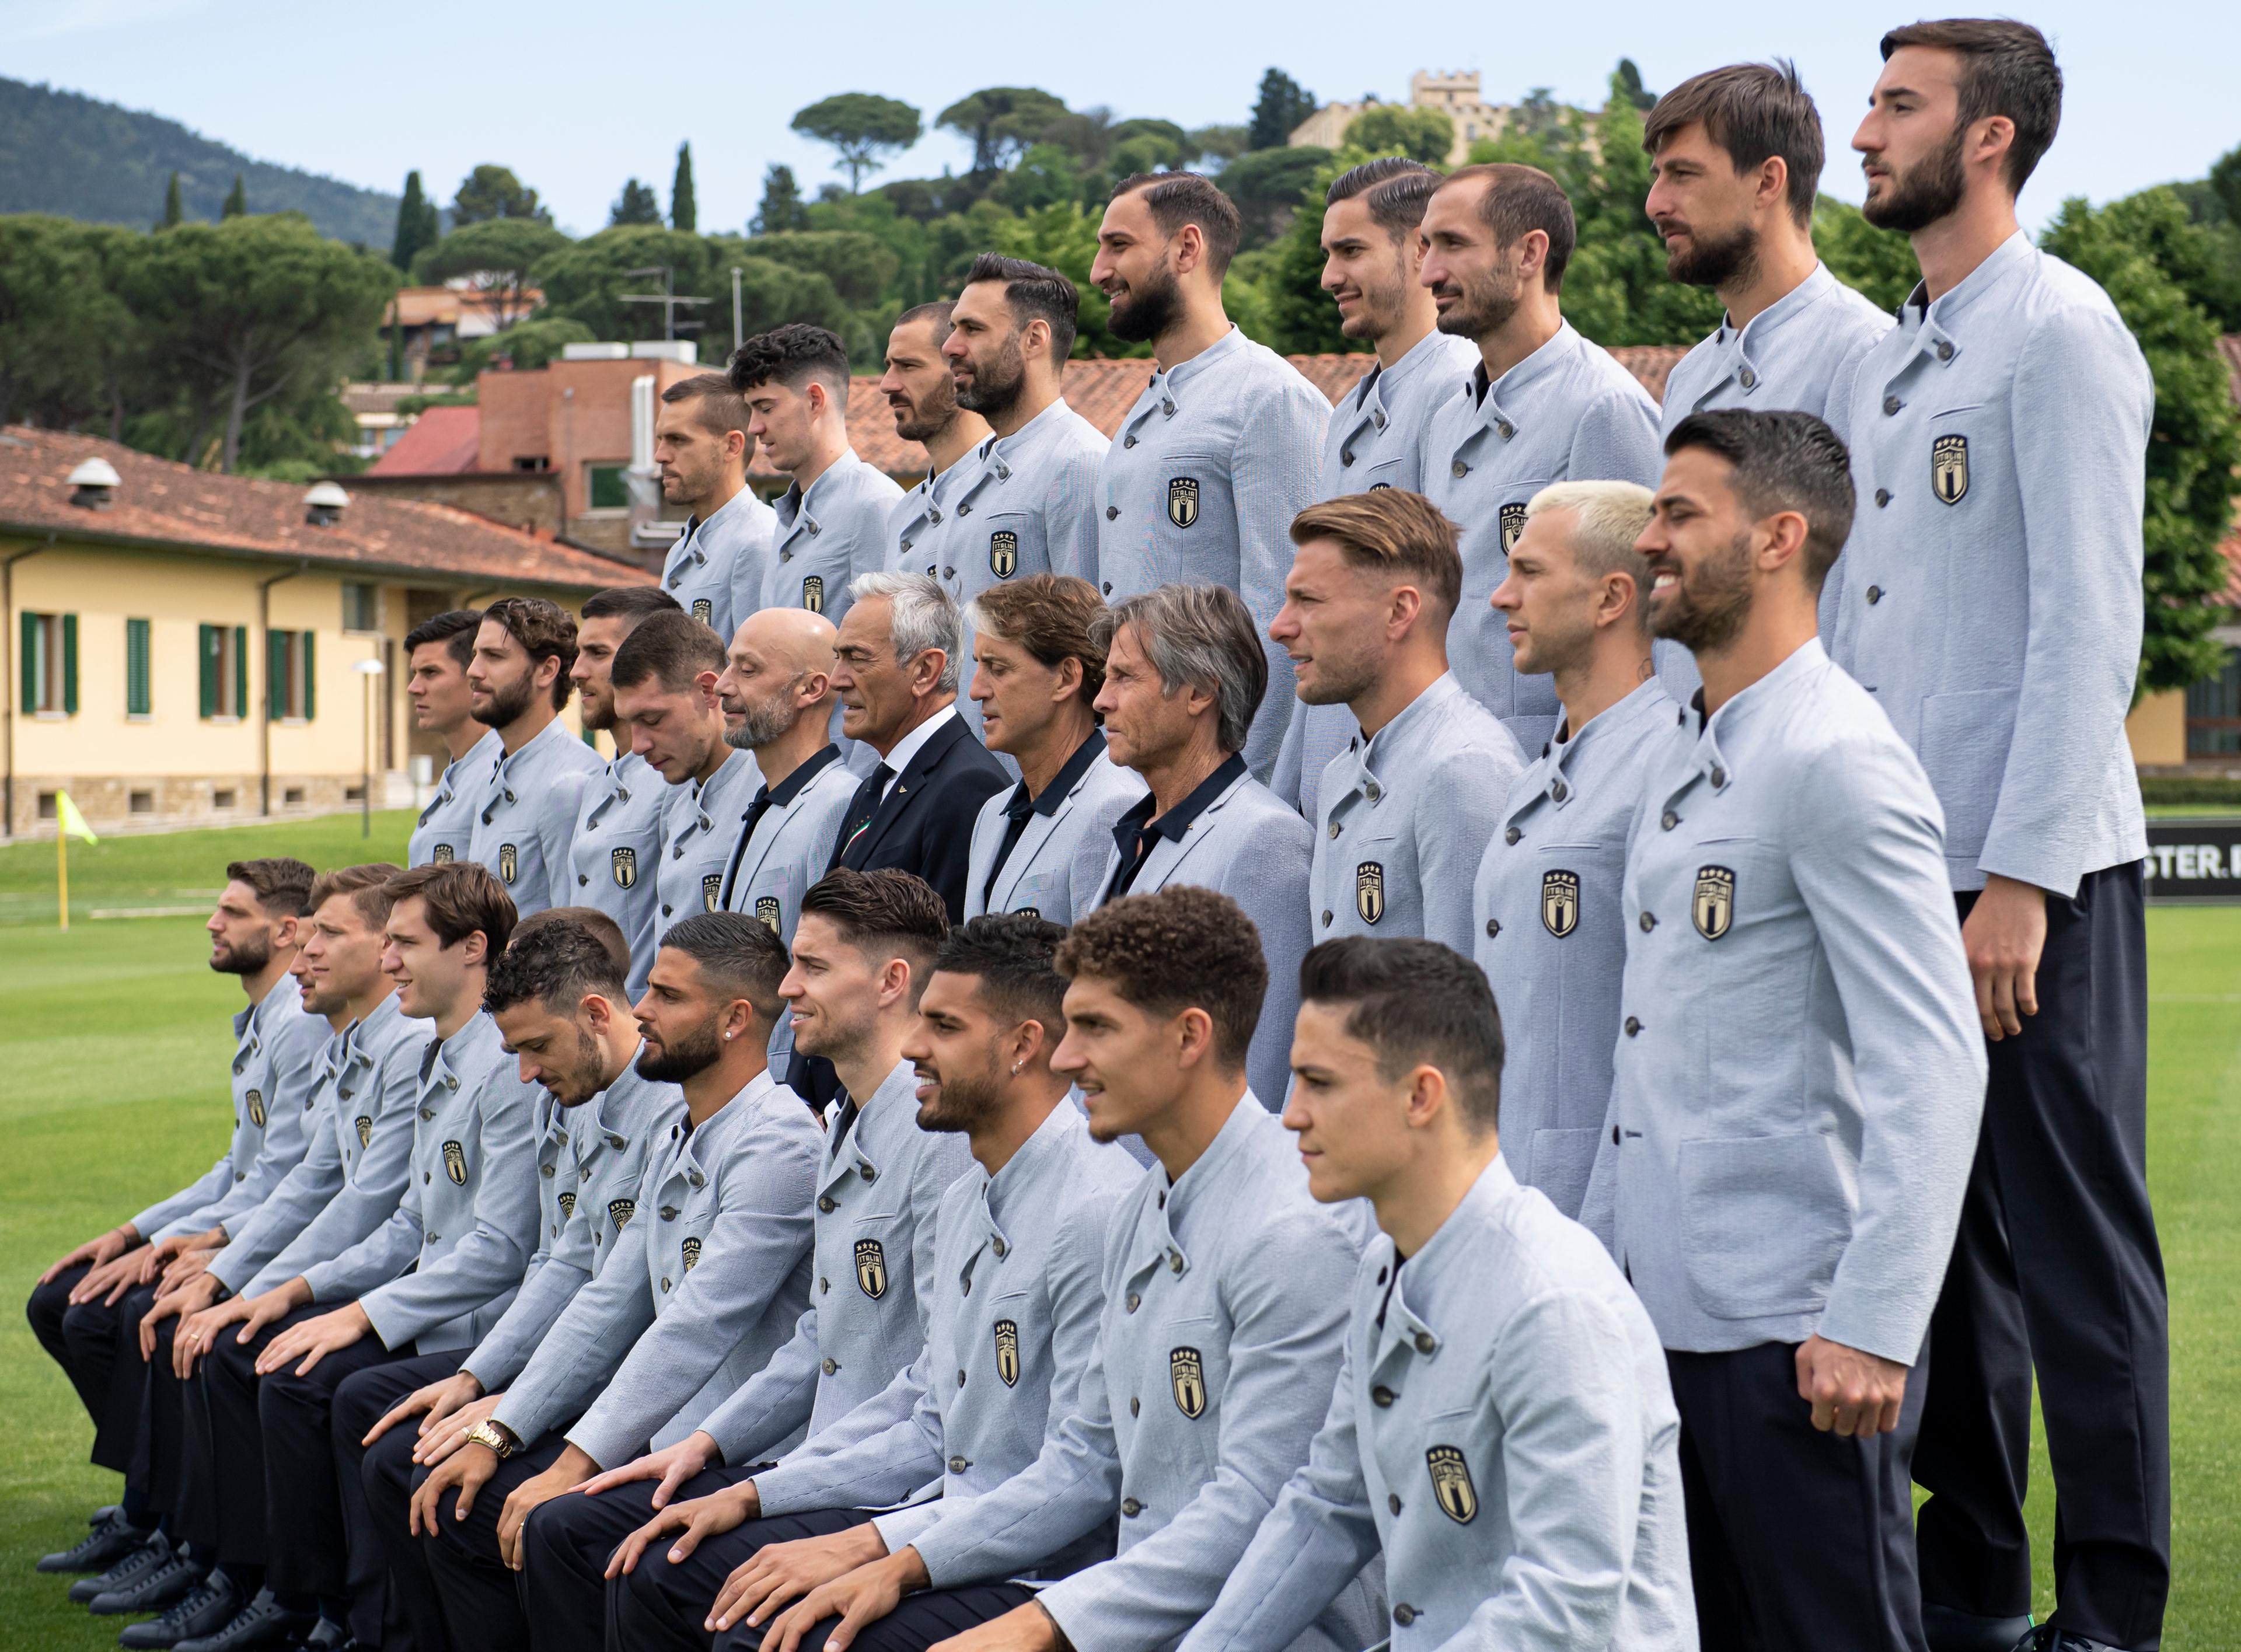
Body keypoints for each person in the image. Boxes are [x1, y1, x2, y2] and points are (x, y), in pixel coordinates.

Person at [1839, 23, 2163, 1652]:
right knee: (1945, 1268)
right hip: (1909, 880)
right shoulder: (1908, 353)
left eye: (1897, 103)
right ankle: (1972, 1592)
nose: (1862, 128)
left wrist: (2024, 876)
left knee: (2079, 1269)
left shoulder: (2062, 330)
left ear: (1989, 138)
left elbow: (2091, 627)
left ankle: (2108, 1621)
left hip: (2035, 879)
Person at [1600, 409, 1985, 1652]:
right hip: (1666, 1316)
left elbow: (1934, 1054)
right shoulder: (1684, 751)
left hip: (1798, 1340)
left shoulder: (1839, 758)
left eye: (1677, 514)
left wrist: (1874, 1318)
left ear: (1776, 538)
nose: (1648, 541)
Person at [808, 886, 1377, 1652]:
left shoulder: (1292, 1226)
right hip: (1133, 1600)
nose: (1068, 1059)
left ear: (1189, 1036)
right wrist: (908, 1562)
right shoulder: (1146, 1202)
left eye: (1096, 1028)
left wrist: (1041, 1623)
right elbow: (1091, 1453)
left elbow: (1258, 1507)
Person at [603, 913, 1141, 1652]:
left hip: (1039, 1570)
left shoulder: (1096, 1208)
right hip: (944, 1514)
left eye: (943, 1026)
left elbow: (1082, 1473)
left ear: (1024, 1045)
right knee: (654, 1568)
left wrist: (890, 1554)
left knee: (760, 1630)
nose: (914, 1045)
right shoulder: (969, 1197)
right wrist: (757, 1490)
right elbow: (929, 1409)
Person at [1185, 936, 1697, 1652]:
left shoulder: (1552, 1302)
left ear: (1422, 1094)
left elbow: (1564, 1606)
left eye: (1319, 1082)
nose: (1291, 1113)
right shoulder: (1383, 1268)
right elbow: (1328, 1503)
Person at [515, 873, 971, 1652]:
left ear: (894, 981)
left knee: (639, 1564)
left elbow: (930, 1387)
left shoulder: (938, 1139)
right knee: (578, 1531)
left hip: (881, 1479)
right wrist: (706, 1443)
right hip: (817, 1455)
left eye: (814, 966)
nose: (787, 985)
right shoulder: (845, 1123)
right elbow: (817, 1340)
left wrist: (754, 1485)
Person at [406, 912, 822, 1652]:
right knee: (450, 1490)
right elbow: (606, 1296)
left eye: (665, 995)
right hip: (661, 1428)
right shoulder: (683, 1132)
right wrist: (497, 1430)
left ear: (734, 1019)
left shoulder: (779, 1143)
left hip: (733, 1442)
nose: (643, 1010)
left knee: (556, 1526)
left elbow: (694, 1325)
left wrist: (570, 1463)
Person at [176, 865, 505, 1651]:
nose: (392, 961)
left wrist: (326, 1302)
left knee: (305, 1376)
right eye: (386, 941)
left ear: (472, 949)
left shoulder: (499, 1062)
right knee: (253, 1345)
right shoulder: (436, 1050)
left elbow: (504, 1251)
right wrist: (269, 1284)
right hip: (425, 1302)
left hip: (477, 1327)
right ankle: (253, 1575)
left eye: (405, 942)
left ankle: (330, 1608)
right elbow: (393, 1214)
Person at [347, 909, 684, 1652]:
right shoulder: (584, 1090)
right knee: (395, 1444)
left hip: (650, 1393)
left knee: (452, 1486)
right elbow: (563, 1262)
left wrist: (506, 1420)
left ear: (596, 1012)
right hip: (589, 1358)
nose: (526, 1073)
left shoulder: (669, 1111)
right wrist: (477, 1380)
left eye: (535, 1047)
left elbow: (640, 1312)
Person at [31, 858, 324, 1580]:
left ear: (285, 929)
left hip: (276, 1239)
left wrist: (192, 1247)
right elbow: (238, 1166)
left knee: (128, 1315)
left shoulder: (298, 1023)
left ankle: (170, 1523)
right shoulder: (266, 1019)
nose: (212, 922)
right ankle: (158, 1502)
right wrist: (137, 1232)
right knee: (63, 1299)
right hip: (248, 1222)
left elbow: (294, 1181)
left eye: (231, 911)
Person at [1645, 58, 1892, 665]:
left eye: (1682, 174)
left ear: (1767, 182)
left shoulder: (1865, 354)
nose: (1656, 203)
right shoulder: (1690, 376)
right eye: (1657, 176)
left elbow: (1862, 598)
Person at [1474, 481, 1671, 1223]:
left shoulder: (1666, 768)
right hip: (1509, 1198)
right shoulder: (1545, 771)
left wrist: (1604, 1228)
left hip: (1594, 1211)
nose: (1500, 597)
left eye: (1530, 572)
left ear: (1611, 597)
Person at [1418, 163, 1663, 753]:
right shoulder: (1448, 417)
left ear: (1530, 254)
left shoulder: (1603, 407)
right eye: (1426, 247)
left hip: (1544, 774)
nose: (1428, 272)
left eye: (1452, 244)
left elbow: (1639, 632)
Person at [1091, 172, 1329, 777]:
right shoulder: (1138, 418)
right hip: (1145, 771)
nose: (1098, 270)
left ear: (1187, 248)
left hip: (1221, 778)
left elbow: (1281, 610)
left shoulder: (1268, 397)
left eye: (1118, 245)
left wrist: (1247, 787)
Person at [1272, 158, 1480, 819]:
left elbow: (1454, 611)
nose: (1330, 277)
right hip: (1341, 769)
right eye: (1328, 254)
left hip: (1413, 781)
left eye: (1351, 251)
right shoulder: (1350, 414)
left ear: (1420, 248)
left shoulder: (1459, 392)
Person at [1091, 585, 1310, 1109]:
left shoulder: (1266, 842)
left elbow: (1257, 1074)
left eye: (1123, 676)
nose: (1101, 699)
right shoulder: (1130, 833)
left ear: (1199, 692)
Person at [1275, 491, 1521, 955]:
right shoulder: (1339, 775)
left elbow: (1471, 1005)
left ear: (1399, 612)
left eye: (1308, 601)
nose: (1280, 626)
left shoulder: (1464, 769)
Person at [825, 573, 1010, 921]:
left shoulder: (967, 786)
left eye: (857, 658)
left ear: (925, 670)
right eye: (838, 657)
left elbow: (942, 953)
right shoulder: (879, 782)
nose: (837, 679)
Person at [964, 575, 1143, 924]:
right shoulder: (992, 813)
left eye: (997, 669)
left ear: (1065, 678)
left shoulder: (1115, 808)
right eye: (978, 665)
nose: (975, 690)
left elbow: (1094, 973)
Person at [943, 253, 1105, 586]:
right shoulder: (969, 472)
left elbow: (1086, 628)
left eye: (972, 329)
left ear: (1034, 339)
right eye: (954, 329)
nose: (950, 347)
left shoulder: (1079, 464)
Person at [737, 324, 905, 631]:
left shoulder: (875, 505)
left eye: (766, 408)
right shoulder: (788, 516)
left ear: (815, 400)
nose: (754, 427)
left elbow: (885, 645)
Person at [608, 610, 763, 938]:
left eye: (652, 719)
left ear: (709, 691)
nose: (637, 745)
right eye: (628, 723)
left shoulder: (767, 791)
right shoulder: (677, 798)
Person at [566, 586, 686, 999]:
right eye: (579, 653)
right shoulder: (600, 778)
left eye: (597, 653)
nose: (577, 671)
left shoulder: (674, 779)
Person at [716, 609, 856, 942]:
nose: (722, 685)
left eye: (747, 670)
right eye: (729, 665)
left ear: (810, 689)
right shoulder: (766, 800)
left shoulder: (840, 806)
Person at [466, 597, 604, 917]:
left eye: (494, 657)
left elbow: (572, 927)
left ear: (547, 670)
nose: (473, 671)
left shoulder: (571, 782)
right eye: (476, 655)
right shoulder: (498, 769)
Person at [658, 373, 778, 643]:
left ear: (732, 446)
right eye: (661, 440)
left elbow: (759, 669)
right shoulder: (680, 551)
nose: (661, 455)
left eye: (677, 440)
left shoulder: (760, 542)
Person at [883, 302, 993, 595]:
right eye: (889, 367)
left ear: (959, 369)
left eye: (907, 366)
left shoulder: (1012, 494)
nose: (887, 384)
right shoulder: (903, 513)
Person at [404, 609, 501, 868]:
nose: (413, 688)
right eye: (414, 673)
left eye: (431, 673)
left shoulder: (499, 774)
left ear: (475, 676)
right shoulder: (462, 767)